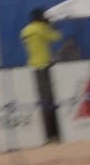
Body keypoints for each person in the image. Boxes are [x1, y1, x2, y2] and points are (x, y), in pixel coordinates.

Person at [20, 8, 61, 142]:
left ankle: (45, 133)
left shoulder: (25, 30)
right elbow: (56, 37)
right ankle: (53, 132)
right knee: (49, 99)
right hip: (44, 65)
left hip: (32, 65)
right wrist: (50, 26)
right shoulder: (41, 28)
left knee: (40, 100)